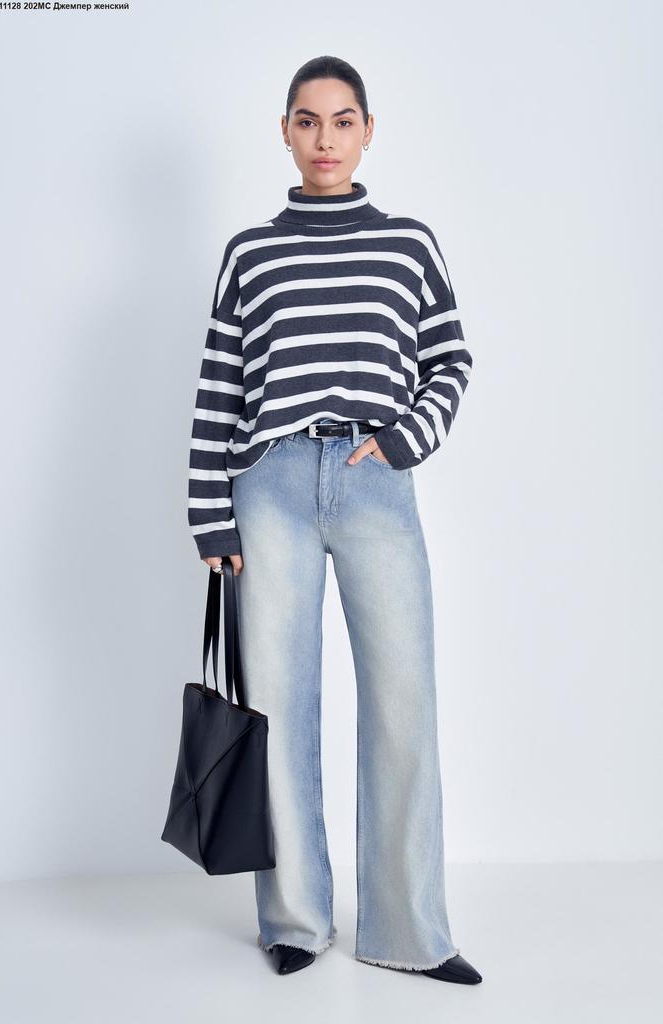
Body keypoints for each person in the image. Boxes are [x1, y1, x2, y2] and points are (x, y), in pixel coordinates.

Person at [187, 54, 481, 984]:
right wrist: (210, 517)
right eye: (308, 121)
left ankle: (410, 932)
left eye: (342, 120)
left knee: (404, 702)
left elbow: (451, 359)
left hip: (373, 481)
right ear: (285, 132)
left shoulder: (408, 244)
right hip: (268, 485)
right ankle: (295, 920)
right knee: (280, 706)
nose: (325, 139)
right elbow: (220, 389)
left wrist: (403, 440)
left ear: (367, 132)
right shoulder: (251, 252)